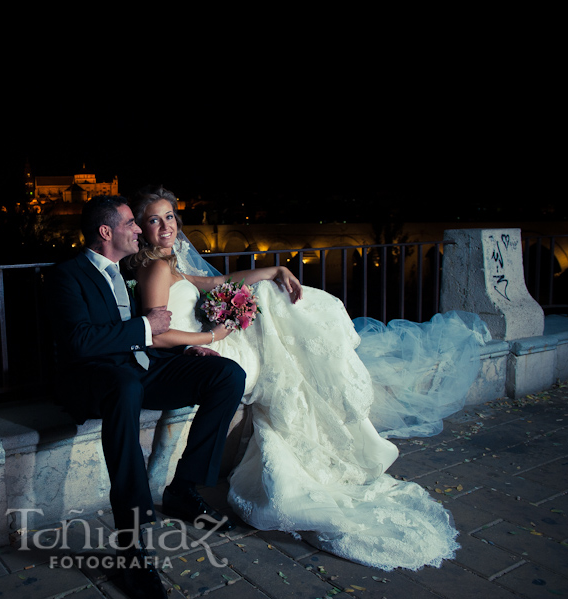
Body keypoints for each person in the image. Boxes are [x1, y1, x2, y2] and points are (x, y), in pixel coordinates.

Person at [127, 185, 470, 571]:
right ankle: (331, 361)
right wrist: (210, 336)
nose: (166, 226)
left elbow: (217, 282)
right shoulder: (156, 267)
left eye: (169, 216)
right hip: (201, 347)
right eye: (154, 219)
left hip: (205, 344)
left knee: (269, 300)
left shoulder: (168, 263)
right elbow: (155, 331)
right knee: (277, 319)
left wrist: (273, 270)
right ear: (140, 227)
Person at [47, 195, 246, 598]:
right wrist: (144, 325)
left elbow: (143, 336)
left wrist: (185, 348)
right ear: (106, 232)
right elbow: (79, 341)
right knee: (125, 387)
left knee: (226, 374)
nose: (139, 229)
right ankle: (133, 548)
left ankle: (184, 490)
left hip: (142, 365)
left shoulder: (125, 270)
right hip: (97, 378)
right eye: (130, 224)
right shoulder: (66, 275)